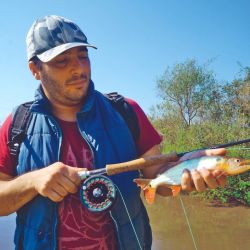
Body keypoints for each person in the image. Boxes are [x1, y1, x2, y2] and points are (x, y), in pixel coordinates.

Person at [0, 15, 226, 250]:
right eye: (61, 61)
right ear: (35, 69)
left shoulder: (127, 112)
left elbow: (157, 176)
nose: (78, 68)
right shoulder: (17, 125)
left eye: (82, 56)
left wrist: (188, 172)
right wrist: (32, 181)